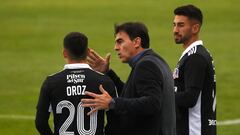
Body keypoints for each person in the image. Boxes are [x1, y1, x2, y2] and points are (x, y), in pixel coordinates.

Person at [81, 22, 176, 135]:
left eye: (120, 41)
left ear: (136, 42)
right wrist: (108, 73)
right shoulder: (156, 60)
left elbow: (152, 103)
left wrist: (113, 103)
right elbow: (133, 94)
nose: (116, 48)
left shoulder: (145, 65)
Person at [35, 32, 117, 135]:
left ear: (64, 53)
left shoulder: (51, 82)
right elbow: (116, 120)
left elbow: (40, 123)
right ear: (87, 52)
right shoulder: (105, 81)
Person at [172, 5, 216, 135]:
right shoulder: (195, 54)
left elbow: (190, 98)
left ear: (195, 28)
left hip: (194, 130)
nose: (175, 30)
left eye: (180, 25)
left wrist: (162, 96)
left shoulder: (195, 57)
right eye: (174, 25)